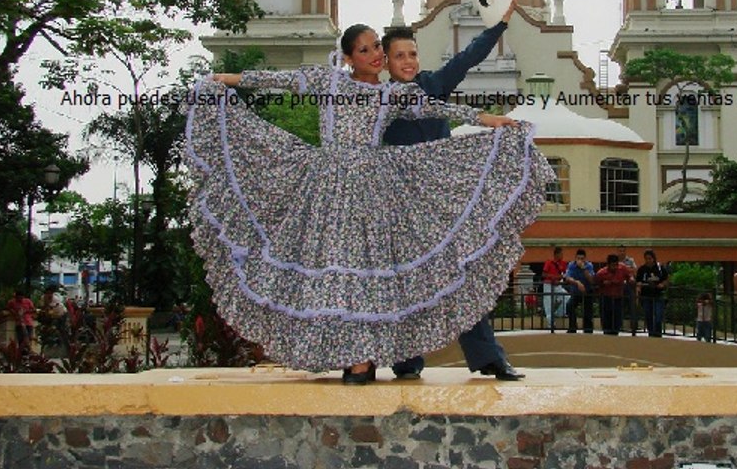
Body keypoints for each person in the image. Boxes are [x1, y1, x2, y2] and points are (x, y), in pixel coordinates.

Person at [186, 22, 553, 384]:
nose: (376, 54)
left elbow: (441, 108)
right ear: (347, 58)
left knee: (395, 275)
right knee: (341, 277)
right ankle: (361, 359)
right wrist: (222, 79)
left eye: (377, 47)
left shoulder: (392, 95)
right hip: (330, 191)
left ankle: (385, 360)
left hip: (380, 193)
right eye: (367, 49)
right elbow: (273, 80)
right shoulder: (327, 83)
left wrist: (491, 120)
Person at [381, 5, 527, 381]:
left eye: (413, 53)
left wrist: (501, 23)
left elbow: (469, 56)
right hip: (400, 207)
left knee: (462, 277)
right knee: (406, 283)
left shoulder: (434, 84)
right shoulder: (375, 101)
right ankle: (406, 361)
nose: (409, 61)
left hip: (444, 203)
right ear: (386, 62)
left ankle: (488, 357)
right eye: (400, 56)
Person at [594, 254, 633, 335]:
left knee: (617, 320)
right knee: (606, 321)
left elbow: (630, 275)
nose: (615, 267)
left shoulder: (622, 268)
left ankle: (615, 335)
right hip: (606, 298)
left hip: (618, 298)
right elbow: (595, 284)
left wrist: (631, 279)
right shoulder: (601, 273)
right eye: (612, 265)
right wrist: (603, 283)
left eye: (616, 265)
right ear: (608, 264)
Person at [635, 249, 669, 337]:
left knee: (658, 316)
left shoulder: (660, 268)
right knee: (648, 316)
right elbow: (638, 281)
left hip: (658, 295)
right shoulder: (642, 269)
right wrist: (639, 286)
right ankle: (651, 333)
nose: (648, 260)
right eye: (646, 258)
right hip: (646, 295)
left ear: (653, 258)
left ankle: (657, 333)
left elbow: (666, 279)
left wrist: (662, 284)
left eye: (650, 258)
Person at [564, 249, 596, 333]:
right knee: (569, 305)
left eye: (582, 258)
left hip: (587, 291)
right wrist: (577, 282)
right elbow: (567, 278)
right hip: (576, 291)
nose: (580, 260)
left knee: (587, 311)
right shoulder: (571, 265)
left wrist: (583, 269)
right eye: (578, 258)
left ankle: (588, 330)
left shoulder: (589, 265)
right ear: (575, 258)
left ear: (585, 259)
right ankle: (573, 327)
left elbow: (591, 280)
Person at [541, 246, 569, 330]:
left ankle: (558, 313)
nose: (562, 255)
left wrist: (561, 279)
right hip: (548, 285)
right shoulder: (549, 262)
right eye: (561, 253)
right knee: (548, 304)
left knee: (567, 298)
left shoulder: (563, 263)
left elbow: (565, 274)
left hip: (558, 285)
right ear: (557, 254)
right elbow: (544, 274)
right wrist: (554, 277)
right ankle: (551, 324)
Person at [617, 245, 639, 335]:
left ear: (625, 252)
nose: (621, 252)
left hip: (629, 285)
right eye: (620, 251)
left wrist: (625, 270)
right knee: (619, 305)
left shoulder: (630, 260)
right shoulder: (615, 261)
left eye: (623, 251)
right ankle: (619, 325)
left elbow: (635, 270)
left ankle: (634, 326)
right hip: (619, 285)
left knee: (632, 305)